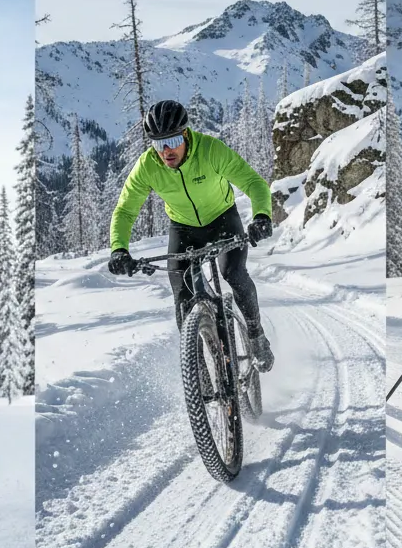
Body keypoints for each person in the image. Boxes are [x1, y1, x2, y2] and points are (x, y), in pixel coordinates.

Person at [107, 99, 276, 370]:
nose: (166, 151)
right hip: (183, 228)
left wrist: (261, 216)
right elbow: (125, 210)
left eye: (171, 140)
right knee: (182, 296)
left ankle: (256, 336)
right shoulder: (148, 166)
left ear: (185, 134)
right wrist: (119, 249)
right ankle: (198, 367)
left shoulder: (210, 151)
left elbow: (254, 182)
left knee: (233, 272)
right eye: (158, 144)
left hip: (223, 218)